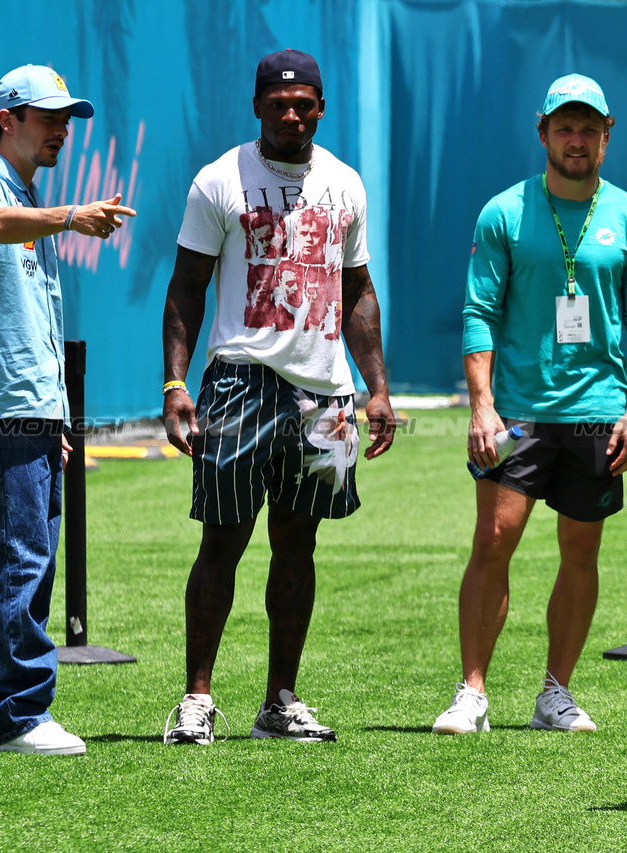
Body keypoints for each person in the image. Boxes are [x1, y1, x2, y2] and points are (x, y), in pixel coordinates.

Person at [160, 49, 395, 746]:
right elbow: (185, 288)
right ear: (258, 106)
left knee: (299, 545)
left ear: (321, 107)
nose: (291, 114)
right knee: (223, 541)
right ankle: (197, 699)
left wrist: (376, 385)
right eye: (278, 103)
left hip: (325, 391)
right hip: (240, 380)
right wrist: (176, 382)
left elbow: (357, 293)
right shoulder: (219, 180)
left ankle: (279, 701)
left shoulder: (346, 184)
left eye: (304, 103)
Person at [432, 73, 627, 735]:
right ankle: (472, 690)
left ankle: (555, 693)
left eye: (590, 127)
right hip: (517, 411)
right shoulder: (504, 212)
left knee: (580, 552)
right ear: (543, 132)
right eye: (565, 126)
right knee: (493, 540)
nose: (577, 139)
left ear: (607, 136)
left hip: (597, 410)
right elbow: (478, 311)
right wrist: (482, 407)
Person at [0, 65, 135, 754]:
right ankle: (20, 714)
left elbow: (30, 326)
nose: (62, 129)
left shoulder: (20, 191)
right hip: (1, 406)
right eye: (49, 116)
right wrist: (70, 215)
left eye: (67, 118)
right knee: (22, 557)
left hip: (21, 409)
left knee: (1, 558)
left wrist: (47, 419)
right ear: (8, 118)